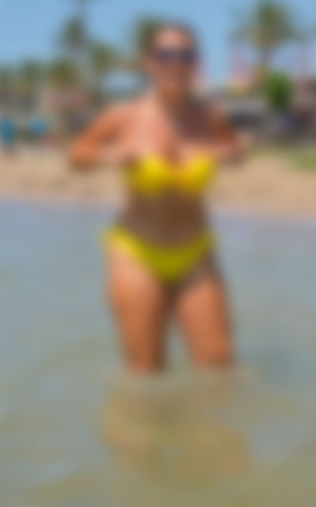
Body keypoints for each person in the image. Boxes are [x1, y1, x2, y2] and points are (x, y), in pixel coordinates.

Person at [69, 22, 244, 374]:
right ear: (148, 63)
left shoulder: (211, 115)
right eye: (165, 55)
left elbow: (235, 148)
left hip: (196, 251)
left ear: (196, 63)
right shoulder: (124, 115)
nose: (175, 63)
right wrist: (108, 157)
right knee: (146, 372)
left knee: (218, 363)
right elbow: (77, 154)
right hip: (138, 253)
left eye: (185, 55)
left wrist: (230, 153)